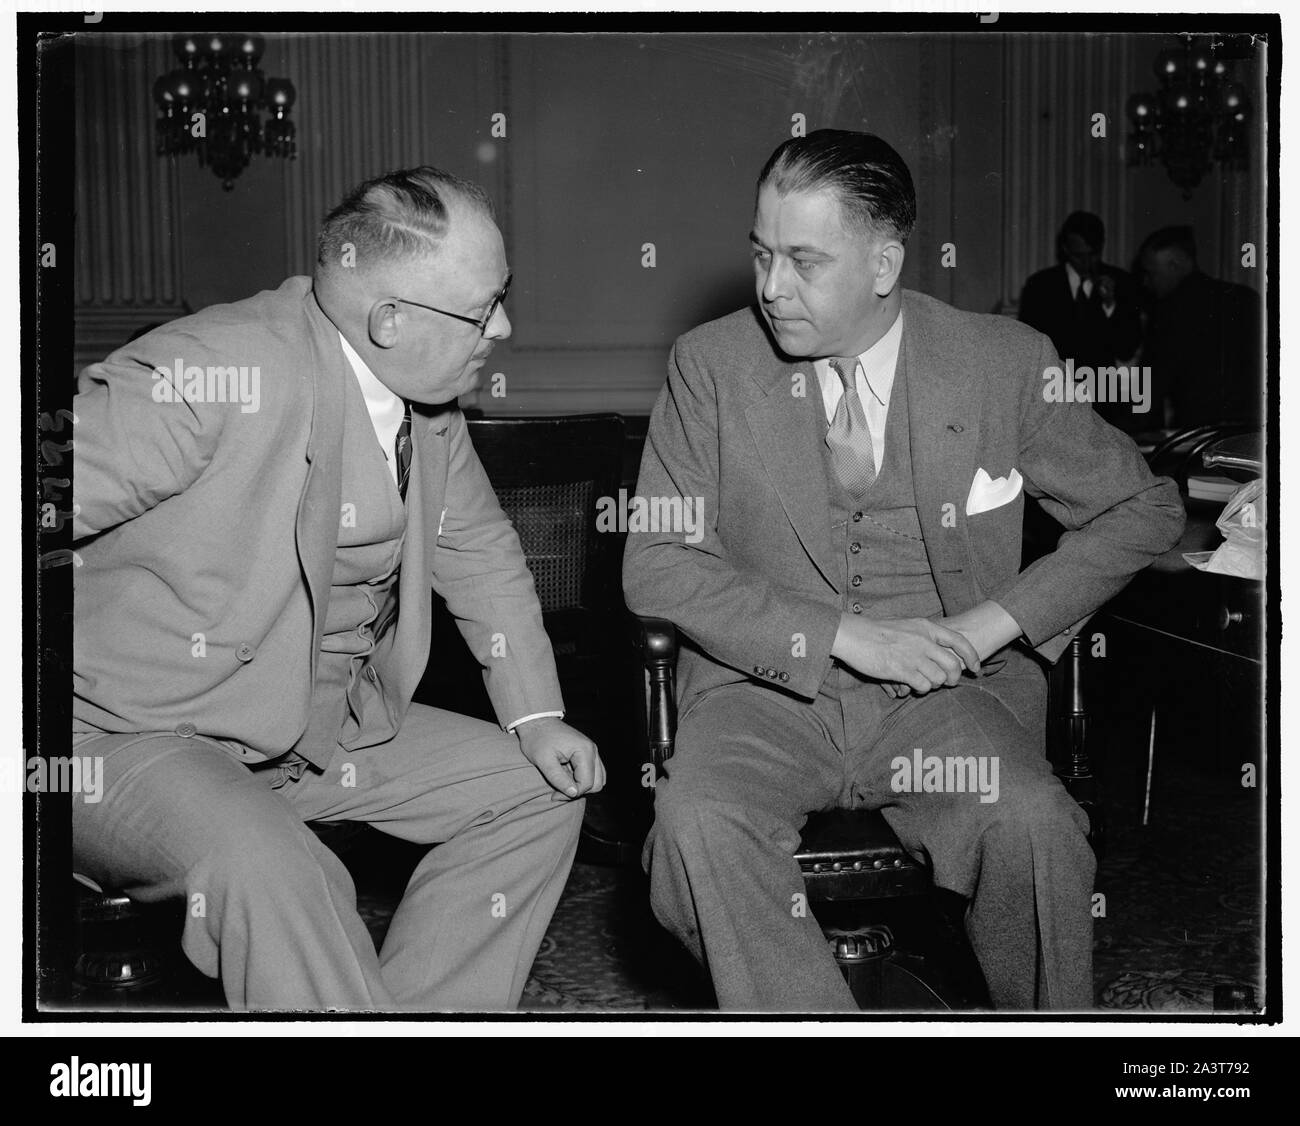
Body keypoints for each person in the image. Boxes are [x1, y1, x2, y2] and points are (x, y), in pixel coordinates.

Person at [622, 130, 1184, 1011]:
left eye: (805, 261)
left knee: (1035, 826)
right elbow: (657, 561)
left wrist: (994, 622)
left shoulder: (1002, 363)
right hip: (759, 696)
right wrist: (847, 637)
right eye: (762, 254)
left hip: (947, 703)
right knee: (697, 826)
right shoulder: (711, 367)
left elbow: (1144, 508)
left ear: (884, 263)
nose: (771, 287)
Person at [72, 166, 604, 1011]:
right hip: (129, 736)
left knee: (539, 791)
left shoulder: (428, 406)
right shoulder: (215, 368)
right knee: (279, 869)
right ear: (390, 320)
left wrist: (537, 717)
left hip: (315, 727)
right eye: (483, 310)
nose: (503, 327)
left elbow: (479, 552)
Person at [1018, 211, 1143, 431]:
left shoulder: (1123, 283)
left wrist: (1110, 306)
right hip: (1056, 397)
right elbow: (1030, 348)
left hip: (1106, 400)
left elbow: (1127, 347)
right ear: (1065, 249)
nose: (1086, 263)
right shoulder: (1040, 286)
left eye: (1093, 255)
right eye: (1078, 256)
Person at [1136, 225, 1262, 427]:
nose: (1146, 282)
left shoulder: (1168, 310)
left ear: (1174, 265)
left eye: (1151, 273)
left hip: (1199, 435)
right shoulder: (1247, 297)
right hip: (1252, 431)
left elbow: (1151, 387)